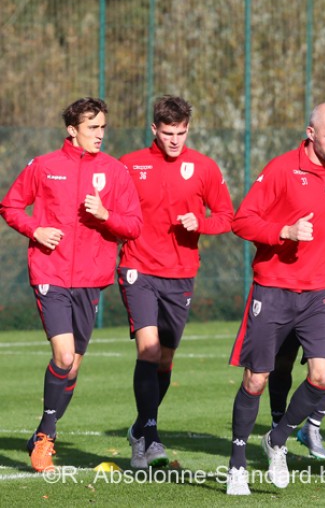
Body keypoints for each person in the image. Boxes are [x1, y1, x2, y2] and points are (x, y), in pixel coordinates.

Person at [0, 97, 142, 472]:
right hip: (51, 273)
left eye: (103, 128)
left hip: (91, 280)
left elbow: (133, 225)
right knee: (63, 357)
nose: (100, 134)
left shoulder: (115, 171)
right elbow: (11, 206)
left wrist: (106, 215)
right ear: (72, 130)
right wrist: (36, 229)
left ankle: (42, 432)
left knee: (73, 367)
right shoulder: (45, 166)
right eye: (92, 127)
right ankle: (46, 437)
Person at [225, 103, 325, 495]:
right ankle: (236, 464)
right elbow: (242, 220)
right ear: (311, 133)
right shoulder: (282, 169)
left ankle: (277, 440)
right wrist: (284, 231)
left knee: (323, 374)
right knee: (256, 380)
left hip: (320, 291)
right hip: (274, 289)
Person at [118, 95, 234, 469]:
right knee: (149, 351)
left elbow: (226, 217)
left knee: (165, 361)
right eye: (168, 133)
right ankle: (151, 439)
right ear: (154, 129)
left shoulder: (203, 168)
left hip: (180, 273)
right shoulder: (130, 165)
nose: (175, 140)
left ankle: (139, 429)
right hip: (137, 268)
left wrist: (199, 223)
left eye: (181, 133)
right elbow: (113, 214)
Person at [267, 147, 325, 461]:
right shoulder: (300, 186)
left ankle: (313, 423)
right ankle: (278, 425)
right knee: (282, 360)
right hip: (292, 288)